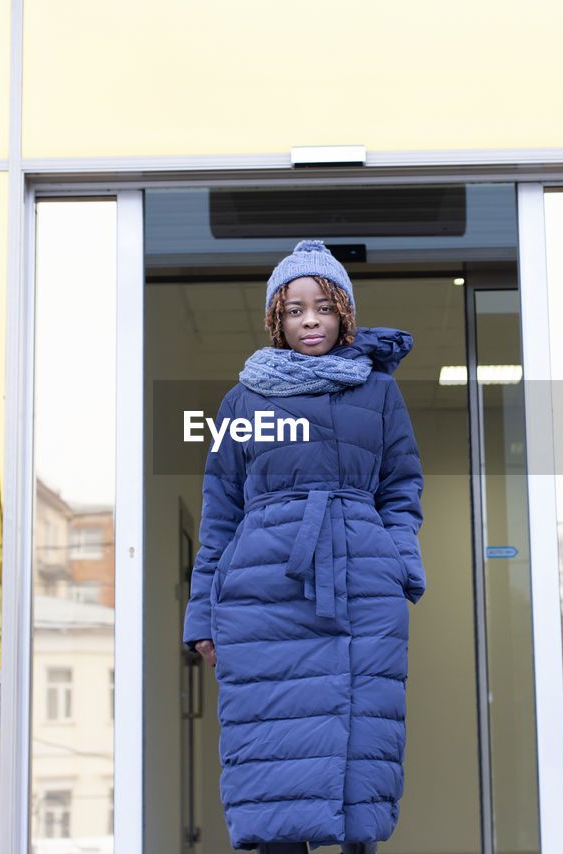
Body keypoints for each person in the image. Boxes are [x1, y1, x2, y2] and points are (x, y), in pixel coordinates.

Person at [183, 240, 426, 853]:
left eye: (322, 307)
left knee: (362, 748)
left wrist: (398, 561)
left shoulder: (377, 392)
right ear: (277, 320)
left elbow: (401, 485)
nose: (310, 320)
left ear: (344, 312)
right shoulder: (242, 401)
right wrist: (201, 615)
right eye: (294, 310)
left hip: (361, 583)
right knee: (272, 752)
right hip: (265, 590)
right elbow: (221, 508)